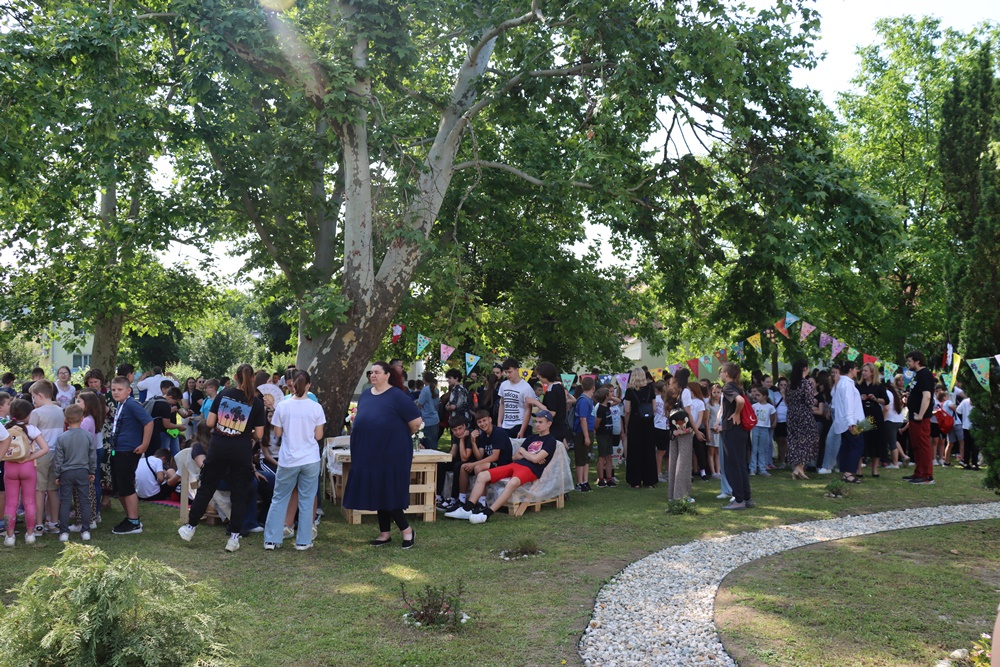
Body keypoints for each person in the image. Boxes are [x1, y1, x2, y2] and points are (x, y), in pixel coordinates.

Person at [178, 364, 266, 552]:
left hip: (219, 446)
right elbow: (259, 434)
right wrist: (246, 432)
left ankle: (191, 527)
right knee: (239, 492)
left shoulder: (224, 395)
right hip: (241, 449)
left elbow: (210, 422)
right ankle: (234, 538)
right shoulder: (257, 403)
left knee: (207, 487)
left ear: (235, 377)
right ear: (252, 378)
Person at [343, 361, 421, 549]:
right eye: (371, 372)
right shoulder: (365, 395)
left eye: (377, 372)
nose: (373, 375)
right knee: (377, 488)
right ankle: (384, 533)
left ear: (387, 375)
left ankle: (407, 530)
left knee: (388, 490)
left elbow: (416, 422)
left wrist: (397, 436)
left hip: (392, 452)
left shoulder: (397, 395)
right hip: (369, 451)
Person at [446, 410, 559, 524]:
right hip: (515, 464)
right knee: (482, 475)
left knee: (512, 483)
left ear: (549, 424)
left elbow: (534, 459)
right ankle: (467, 509)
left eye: (540, 422)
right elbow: (515, 456)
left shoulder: (550, 440)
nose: (537, 425)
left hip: (530, 469)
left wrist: (525, 453)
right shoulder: (531, 438)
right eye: (536, 422)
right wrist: (530, 455)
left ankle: (486, 514)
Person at [263, 370, 325, 551]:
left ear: (291, 385)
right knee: (307, 499)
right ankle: (303, 541)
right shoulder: (316, 407)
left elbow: (277, 433)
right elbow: (318, 436)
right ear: (309, 385)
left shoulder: (283, 406)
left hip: (288, 459)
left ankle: (271, 539)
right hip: (310, 458)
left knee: (279, 498)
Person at [108, 376, 154, 534]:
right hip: (118, 449)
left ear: (128, 391)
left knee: (126, 486)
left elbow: (148, 422)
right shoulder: (121, 404)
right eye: (113, 389)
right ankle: (130, 517)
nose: (116, 392)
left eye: (119, 390)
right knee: (120, 487)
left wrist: (145, 444)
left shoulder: (132, 404)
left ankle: (134, 522)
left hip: (127, 451)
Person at [2, 399, 51, 546]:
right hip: (28, 467)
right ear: (28, 415)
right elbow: (45, 448)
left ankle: (9, 536)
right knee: (29, 501)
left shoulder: (5, 427)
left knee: (11, 502)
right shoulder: (32, 429)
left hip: (10, 467)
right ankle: (30, 534)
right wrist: (28, 457)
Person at [29, 380, 65, 535]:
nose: (33, 401)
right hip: (57, 453)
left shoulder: (36, 413)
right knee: (53, 490)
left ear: (40, 395)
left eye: (33, 397)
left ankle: (39, 524)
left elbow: (30, 435)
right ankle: (53, 522)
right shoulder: (60, 410)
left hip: (40, 454)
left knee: (39, 490)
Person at [719, 363, 752, 510]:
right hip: (740, 431)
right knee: (741, 464)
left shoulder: (728, 387)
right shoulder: (738, 387)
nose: (720, 374)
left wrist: (737, 413)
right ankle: (746, 497)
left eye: (721, 372)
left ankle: (739, 499)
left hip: (732, 430)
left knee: (732, 465)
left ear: (726, 373)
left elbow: (740, 401)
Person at [623, 367, 658, 488]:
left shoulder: (629, 391)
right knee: (649, 451)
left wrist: (626, 425)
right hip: (648, 422)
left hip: (635, 422)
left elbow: (627, 410)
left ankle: (635, 481)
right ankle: (650, 480)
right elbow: (654, 408)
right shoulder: (650, 389)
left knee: (634, 451)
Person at [832, 360, 865, 485]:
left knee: (847, 446)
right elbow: (848, 403)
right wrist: (851, 422)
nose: (857, 370)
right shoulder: (847, 384)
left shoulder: (842, 383)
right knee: (856, 446)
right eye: (856, 368)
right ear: (850, 370)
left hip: (846, 420)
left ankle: (846, 471)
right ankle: (848, 473)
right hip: (851, 421)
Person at [904, 351, 935, 485]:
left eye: (909, 361)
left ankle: (927, 475)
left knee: (923, 445)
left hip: (921, 418)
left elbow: (927, 396)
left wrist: (921, 414)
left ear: (917, 361)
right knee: (916, 446)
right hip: (914, 416)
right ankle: (919, 473)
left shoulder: (925, 374)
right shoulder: (917, 375)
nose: (907, 363)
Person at [785, 359, 818, 481]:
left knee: (795, 441)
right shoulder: (806, 383)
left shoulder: (790, 385)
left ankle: (799, 469)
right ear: (804, 369)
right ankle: (798, 468)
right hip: (803, 414)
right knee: (810, 439)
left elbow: (787, 400)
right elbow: (809, 401)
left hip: (792, 414)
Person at [858, 362, 888, 477]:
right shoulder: (859, 385)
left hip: (875, 416)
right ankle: (859, 469)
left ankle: (875, 469)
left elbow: (886, 401)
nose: (863, 373)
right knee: (861, 441)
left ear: (872, 372)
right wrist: (860, 398)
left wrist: (876, 399)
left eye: (866, 371)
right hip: (862, 416)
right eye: (863, 371)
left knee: (876, 442)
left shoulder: (879, 386)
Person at [497, 358, 535, 438]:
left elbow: (528, 409)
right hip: (506, 425)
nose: (508, 375)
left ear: (517, 370)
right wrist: (499, 422)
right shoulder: (504, 385)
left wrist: (522, 430)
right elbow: (502, 404)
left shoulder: (526, 387)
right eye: (506, 372)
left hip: (520, 424)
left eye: (510, 372)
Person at [572, 376, 596, 492]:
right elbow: (583, 419)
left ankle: (585, 481)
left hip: (588, 431)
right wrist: (586, 436)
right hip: (582, 432)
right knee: (580, 458)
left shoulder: (589, 399)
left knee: (586, 458)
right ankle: (579, 482)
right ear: (593, 387)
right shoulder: (583, 401)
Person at [749, 387, 776, 477]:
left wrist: (768, 423)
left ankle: (762, 469)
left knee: (762, 450)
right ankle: (752, 469)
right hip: (755, 428)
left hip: (765, 429)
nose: (756, 397)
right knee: (754, 449)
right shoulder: (754, 406)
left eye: (758, 395)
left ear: (765, 396)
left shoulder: (770, 407)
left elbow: (772, 417)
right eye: (756, 395)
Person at [594, 387, 617, 487]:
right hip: (602, 435)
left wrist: (611, 397)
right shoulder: (600, 409)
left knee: (609, 456)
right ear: (606, 396)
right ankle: (601, 479)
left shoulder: (607, 405)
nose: (612, 394)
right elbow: (597, 424)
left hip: (609, 434)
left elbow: (618, 401)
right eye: (609, 393)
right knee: (602, 456)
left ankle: (609, 478)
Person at [652, 380, 670, 483]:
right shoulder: (662, 399)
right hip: (661, 426)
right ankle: (659, 472)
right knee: (662, 451)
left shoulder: (660, 399)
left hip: (660, 426)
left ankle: (662, 472)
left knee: (662, 451)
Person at [417, 372, 440, 449]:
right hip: (435, 419)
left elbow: (420, 404)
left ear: (424, 379)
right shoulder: (436, 389)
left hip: (426, 420)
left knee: (426, 443)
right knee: (433, 442)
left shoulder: (425, 390)